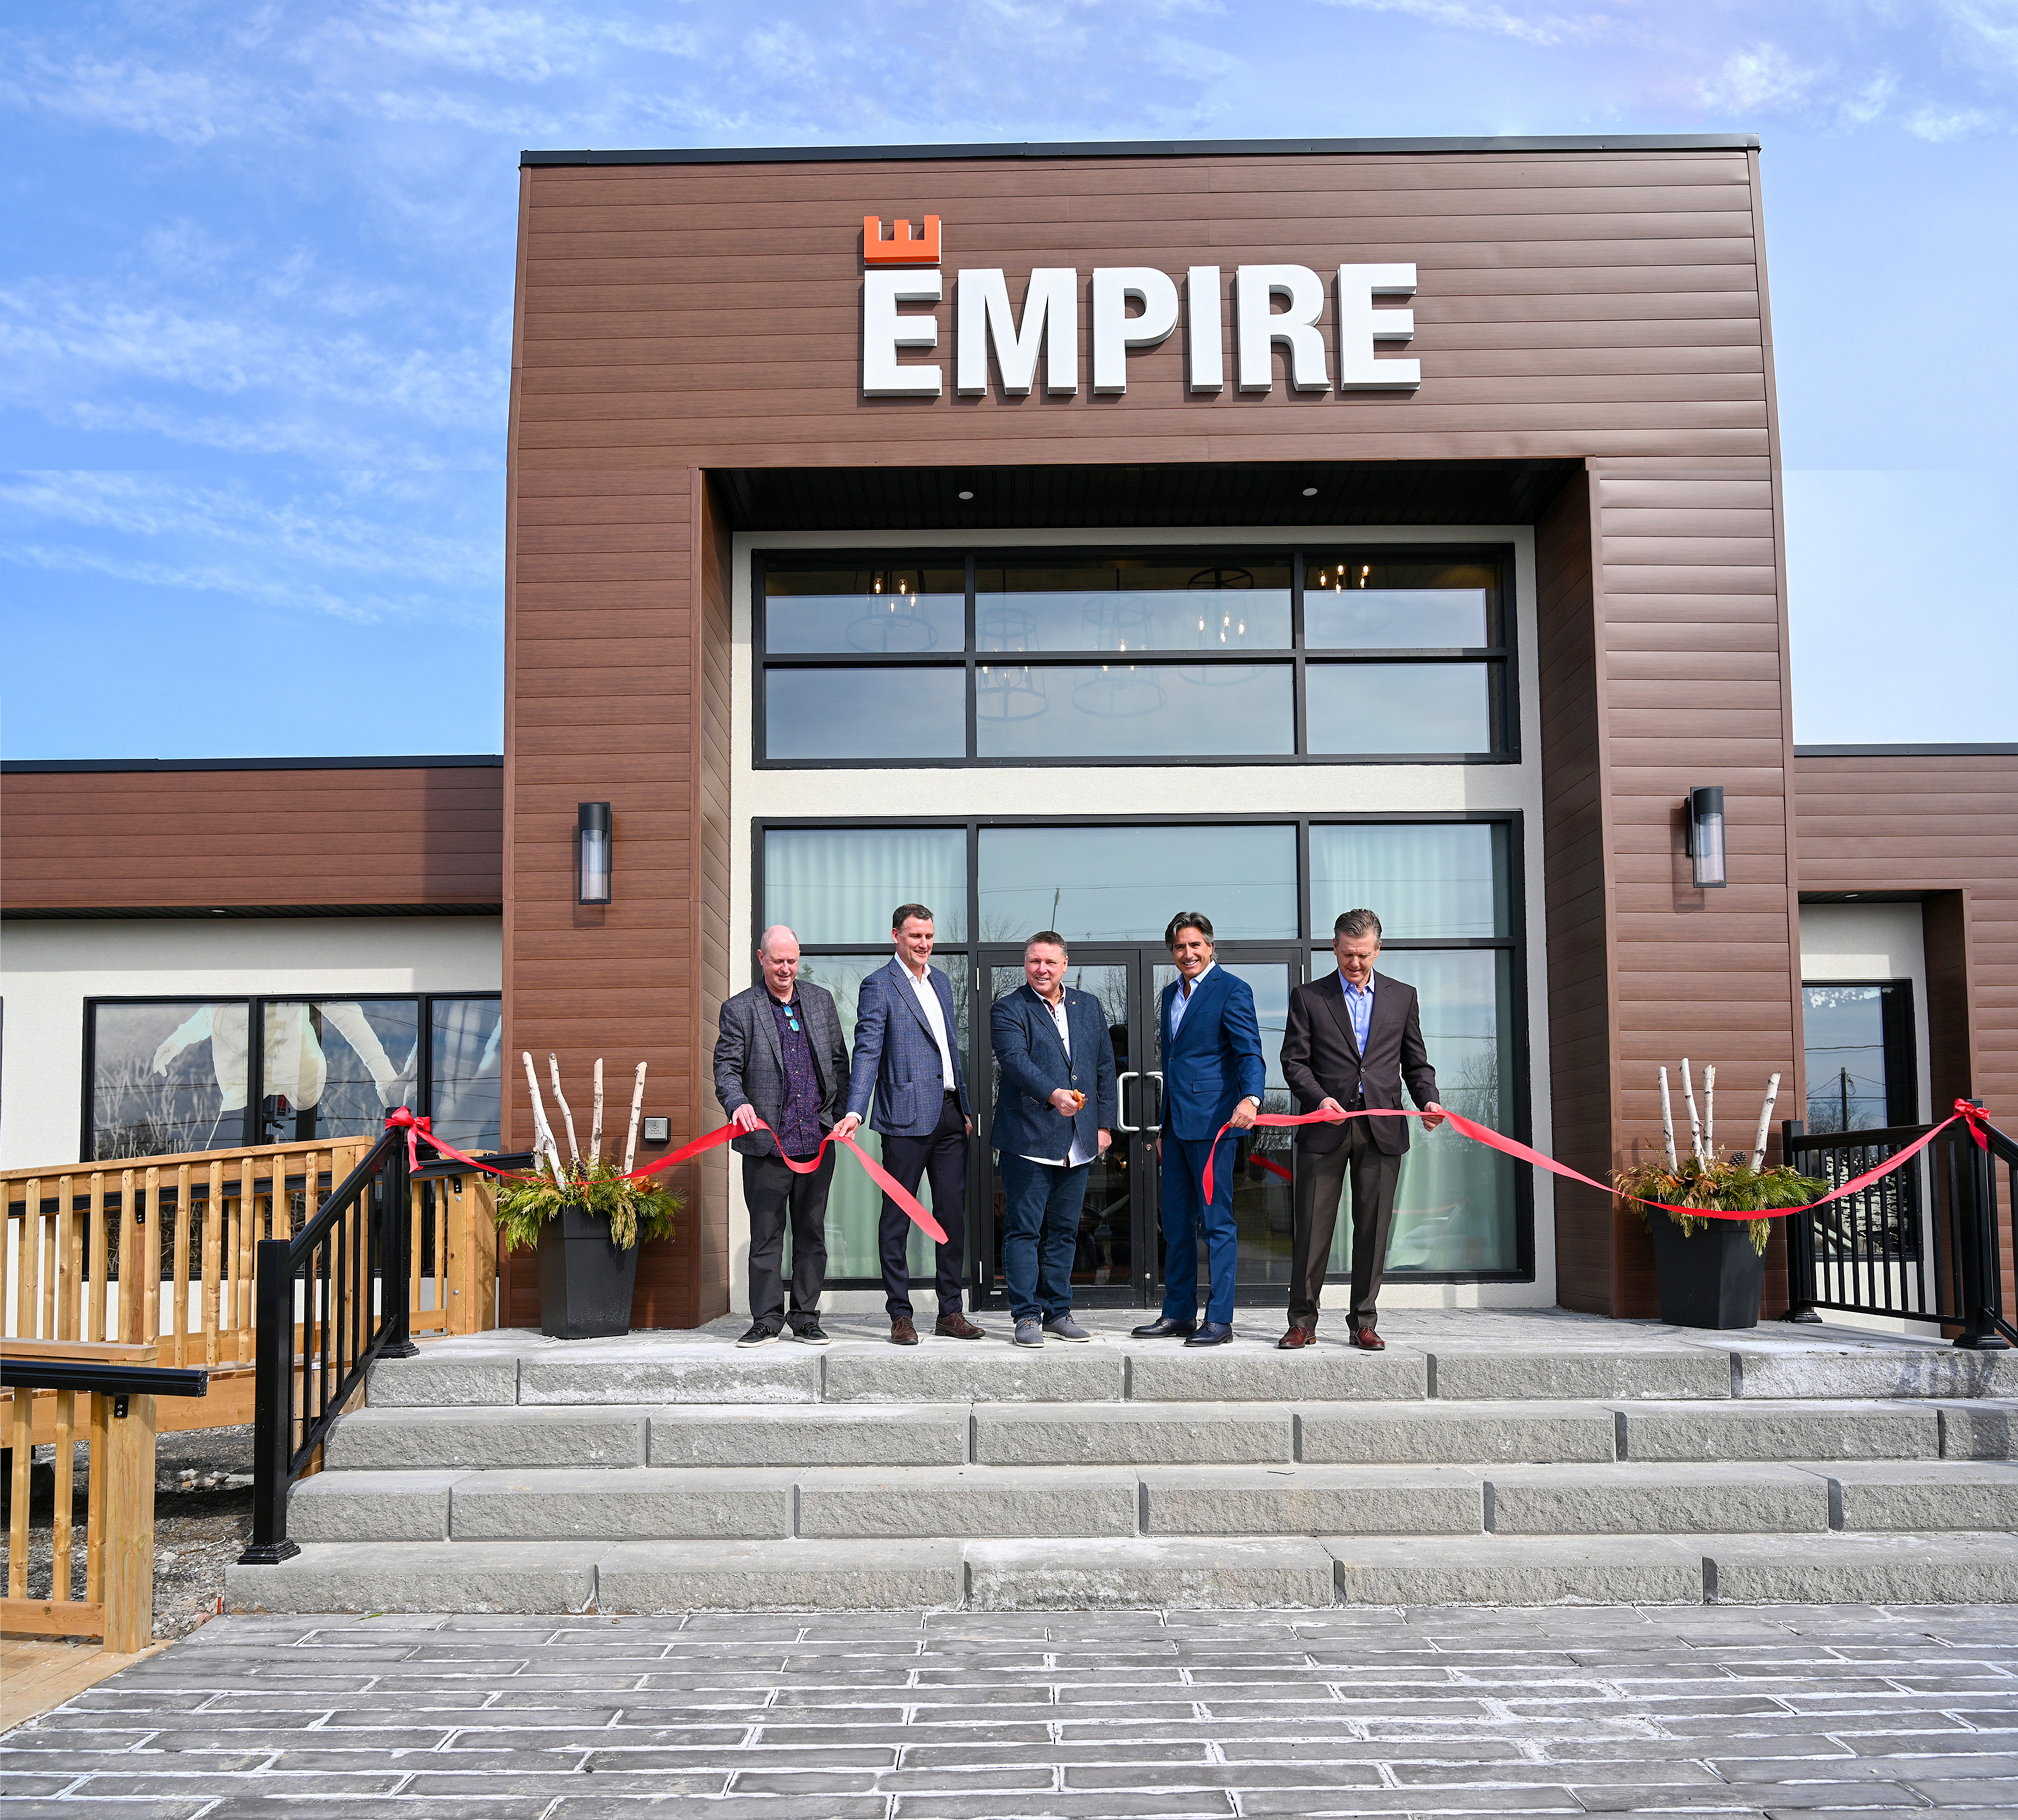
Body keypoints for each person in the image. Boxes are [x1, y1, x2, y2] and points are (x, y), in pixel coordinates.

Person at [1279, 907, 1445, 1353]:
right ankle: (1302, 1322)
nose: (1356, 963)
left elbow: (1415, 1062)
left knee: (1373, 1230)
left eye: (1364, 955)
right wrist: (1318, 1100)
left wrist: (1428, 1099)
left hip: (1382, 1130)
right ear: (1334, 947)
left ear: (1378, 948)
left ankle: (1363, 1322)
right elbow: (1293, 1062)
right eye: (1348, 954)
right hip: (1325, 1127)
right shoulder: (1309, 997)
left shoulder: (1403, 996)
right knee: (1313, 1228)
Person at [835, 903, 985, 1345]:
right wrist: (855, 1109)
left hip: (949, 1115)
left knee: (950, 1217)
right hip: (903, 1118)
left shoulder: (941, 981)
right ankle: (901, 1315)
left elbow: (950, 1049)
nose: (924, 944)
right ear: (897, 935)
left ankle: (950, 1311)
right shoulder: (878, 986)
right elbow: (867, 1052)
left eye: (929, 936)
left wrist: (966, 1107)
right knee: (897, 1219)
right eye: (916, 936)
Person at [1131, 912, 1265, 1347]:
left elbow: (1250, 1052)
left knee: (1216, 1223)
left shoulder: (1233, 990)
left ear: (1210, 947)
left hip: (1215, 1125)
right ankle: (1178, 1314)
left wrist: (1252, 1098)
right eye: (1179, 947)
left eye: (1194, 945)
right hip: (1175, 1124)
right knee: (1175, 1222)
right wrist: (1162, 1127)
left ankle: (1221, 1319)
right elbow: (1173, 1062)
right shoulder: (1171, 992)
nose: (1187, 954)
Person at [712, 925, 850, 1348]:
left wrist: (840, 1117)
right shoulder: (740, 1009)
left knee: (812, 1234)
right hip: (767, 1144)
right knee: (767, 1236)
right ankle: (767, 1320)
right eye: (777, 961)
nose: (786, 969)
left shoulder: (821, 1001)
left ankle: (806, 1317)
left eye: (792, 960)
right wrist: (738, 1103)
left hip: (816, 1141)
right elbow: (726, 1069)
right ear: (761, 958)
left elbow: (838, 1063)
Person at [989, 932, 1119, 1348]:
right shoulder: (1009, 1008)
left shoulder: (1090, 1006)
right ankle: (1026, 1316)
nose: (1041, 969)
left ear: (1065, 963)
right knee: (1024, 1230)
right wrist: (1053, 1094)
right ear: (1025, 965)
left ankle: (1058, 1311)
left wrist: (1104, 1126)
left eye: (1049, 961)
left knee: (1065, 1230)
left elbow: (1103, 1068)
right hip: (1028, 1137)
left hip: (1078, 1141)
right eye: (1033, 962)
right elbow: (1015, 1062)